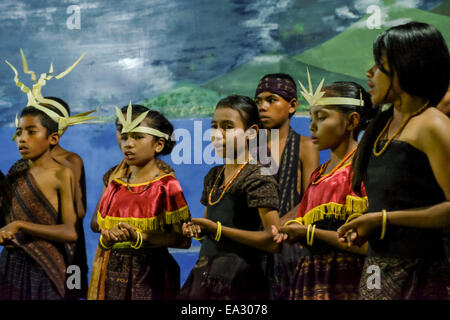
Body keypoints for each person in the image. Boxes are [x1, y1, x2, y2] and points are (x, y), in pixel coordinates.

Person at [338, 22, 450, 300]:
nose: (369, 72)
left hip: (422, 274)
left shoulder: (433, 125)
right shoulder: (381, 125)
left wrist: (382, 220)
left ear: (407, 66)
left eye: (379, 64)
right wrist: (368, 223)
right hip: (378, 270)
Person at [272, 79, 375, 300]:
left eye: (322, 117)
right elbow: (302, 223)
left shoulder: (364, 170)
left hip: (348, 281)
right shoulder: (319, 175)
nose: (312, 126)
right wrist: (291, 231)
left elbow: (370, 245)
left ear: (352, 121)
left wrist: (309, 233)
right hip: (310, 281)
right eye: (311, 118)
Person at [178, 95, 281, 300]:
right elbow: (209, 228)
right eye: (214, 126)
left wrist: (216, 229)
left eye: (227, 127)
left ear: (251, 133)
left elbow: (272, 241)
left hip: (239, 279)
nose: (217, 134)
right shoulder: (214, 176)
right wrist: (197, 230)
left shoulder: (258, 175)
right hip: (206, 274)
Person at [88, 103, 191, 300]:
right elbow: (96, 223)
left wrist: (141, 236)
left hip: (152, 274)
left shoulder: (166, 184)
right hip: (113, 271)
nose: (128, 144)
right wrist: (112, 234)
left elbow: (183, 239)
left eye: (138, 137)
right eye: (125, 136)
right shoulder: (114, 181)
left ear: (158, 144)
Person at [0, 105, 79, 300]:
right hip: (10, 263)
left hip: (45, 266)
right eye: (19, 132)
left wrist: (20, 225)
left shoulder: (61, 174)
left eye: (31, 132)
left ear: (53, 138)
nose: (22, 139)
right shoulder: (15, 171)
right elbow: (6, 217)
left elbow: (70, 232)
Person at [254, 73, 319, 299]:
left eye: (272, 100)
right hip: (256, 245)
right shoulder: (251, 147)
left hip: (292, 245)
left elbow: (310, 197)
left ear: (292, 106)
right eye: (259, 101)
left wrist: (278, 226)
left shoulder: (306, 146)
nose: (263, 106)